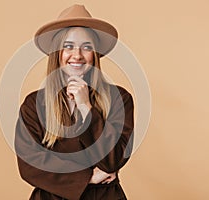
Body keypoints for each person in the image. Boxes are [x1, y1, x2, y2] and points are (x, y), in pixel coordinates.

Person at [15, 4, 134, 200]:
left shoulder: (119, 99)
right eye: (68, 46)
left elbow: (113, 160)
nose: (77, 55)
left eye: (86, 47)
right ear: (57, 54)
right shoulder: (35, 104)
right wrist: (87, 177)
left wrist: (86, 107)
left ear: (94, 54)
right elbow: (30, 165)